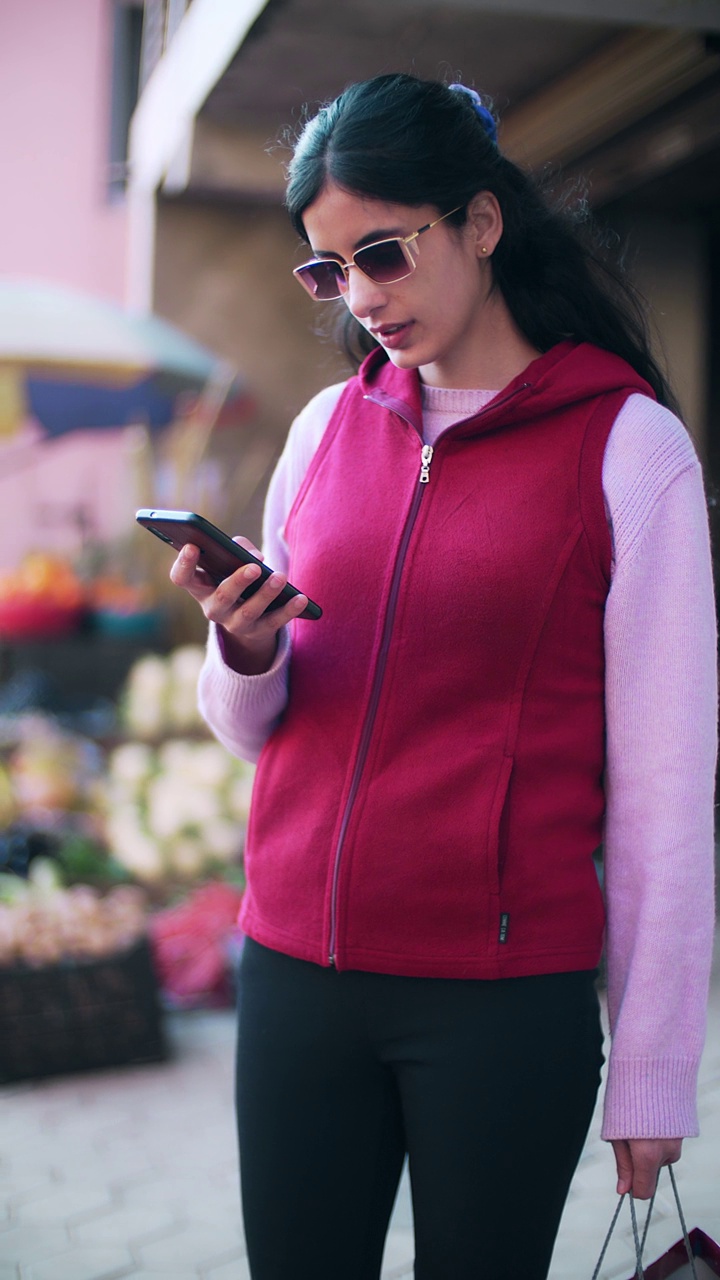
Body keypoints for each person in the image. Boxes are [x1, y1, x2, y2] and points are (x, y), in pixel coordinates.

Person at [170, 73, 717, 1280]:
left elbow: (667, 792)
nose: (361, 298)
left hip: (499, 1002)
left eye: (383, 252)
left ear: (480, 221)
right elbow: (259, 728)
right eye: (328, 269)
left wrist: (655, 1060)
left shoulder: (629, 450)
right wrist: (245, 646)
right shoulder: (321, 433)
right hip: (298, 980)